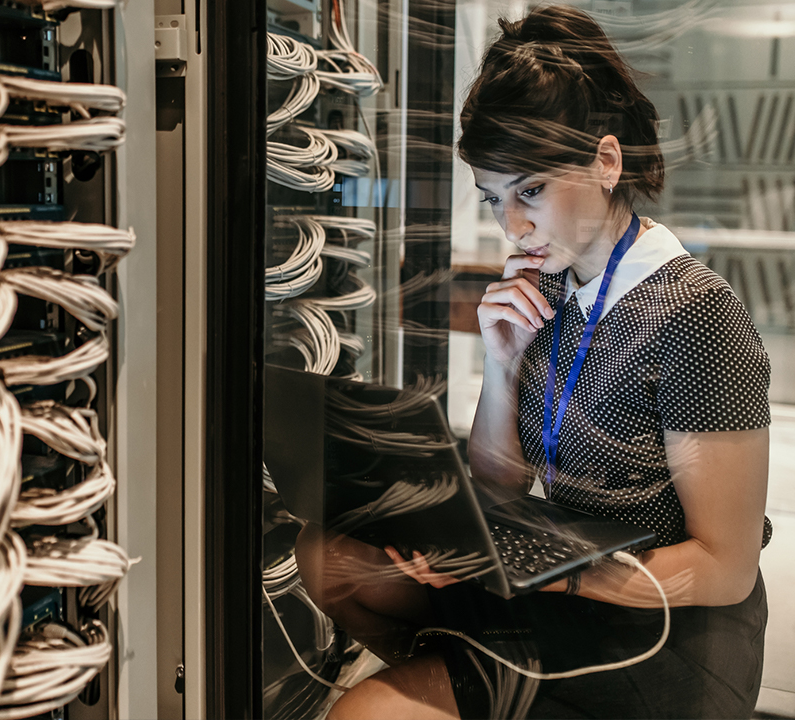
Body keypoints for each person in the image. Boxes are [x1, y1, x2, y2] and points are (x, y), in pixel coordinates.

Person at [295, 5, 771, 718]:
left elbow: (725, 569)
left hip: (666, 637)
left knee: (365, 713)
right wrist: (503, 362)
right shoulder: (552, 286)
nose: (511, 227)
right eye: (494, 199)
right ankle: (470, 682)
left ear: (607, 162)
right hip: (563, 584)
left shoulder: (695, 314)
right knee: (327, 556)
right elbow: (501, 483)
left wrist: (549, 578)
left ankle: (462, 688)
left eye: (532, 191)